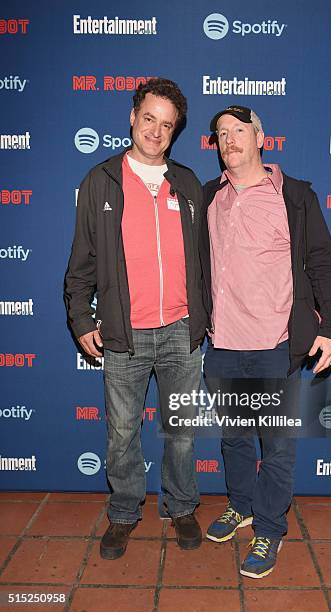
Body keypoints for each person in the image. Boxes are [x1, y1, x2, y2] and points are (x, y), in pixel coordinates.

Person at [64, 78, 207, 559]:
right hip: (123, 335)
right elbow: (80, 264)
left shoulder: (186, 183)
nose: (156, 130)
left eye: (167, 124)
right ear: (132, 116)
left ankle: (182, 507)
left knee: (182, 433)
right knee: (123, 433)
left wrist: (205, 316)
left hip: (182, 333)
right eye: (149, 118)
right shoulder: (100, 179)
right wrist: (82, 319)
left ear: (175, 131)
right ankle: (125, 513)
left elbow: (206, 261)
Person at [199, 105, 331, 578]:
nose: (230, 139)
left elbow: (322, 262)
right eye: (221, 133)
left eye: (239, 130)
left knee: (276, 445)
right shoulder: (208, 197)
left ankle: (269, 528)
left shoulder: (294, 196)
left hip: (275, 344)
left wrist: (330, 329)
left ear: (261, 136)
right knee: (234, 439)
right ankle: (240, 506)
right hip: (221, 344)